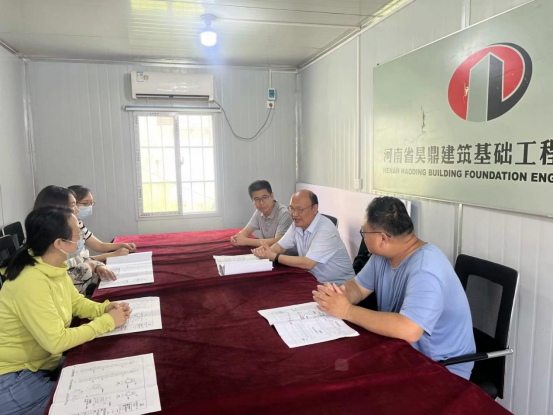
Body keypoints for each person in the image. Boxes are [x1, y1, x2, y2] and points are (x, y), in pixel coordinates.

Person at [312, 196, 476, 379]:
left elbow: (410, 330)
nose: (363, 236)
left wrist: (347, 311)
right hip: (403, 351)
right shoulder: (381, 256)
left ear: (383, 238)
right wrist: (340, 296)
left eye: (364, 232)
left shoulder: (426, 269)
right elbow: (358, 287)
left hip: (441, 367)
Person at [0, 206, 132, 414]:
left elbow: (76, 302)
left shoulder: (51, 265)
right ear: (59, 243)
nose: (81, 237)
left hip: (42, 363)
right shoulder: (31, 281)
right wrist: (108, 322)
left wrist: (104, 308)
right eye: (77, 234)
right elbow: (56, 342)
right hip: (13, 377)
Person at [33, 186, 134, 294]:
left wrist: (96, 265)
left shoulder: (72, 226)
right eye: (73, 205)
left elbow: (81, 261)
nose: (77, 210)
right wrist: (91, 265)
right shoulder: (49, 247)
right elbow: (65, 288)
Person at [252, 190, 355, 285]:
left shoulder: (325, 229)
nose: (294, 214)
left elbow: (308, 263)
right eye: (292, 208)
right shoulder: (297, 224)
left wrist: (274, 256)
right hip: (313, 280)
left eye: (300, 209)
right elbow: (281, 246)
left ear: (315, 208)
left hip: (340, 287)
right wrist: (266, 251)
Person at [230, 180, 292, 248]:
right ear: (252, 200)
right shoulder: (259, 212)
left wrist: (246, 241)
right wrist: (236, 238)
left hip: (287, 253)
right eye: (257, 199)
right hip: (269, 251)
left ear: (272, 196)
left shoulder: (284, 214)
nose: (261, 203)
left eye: (265, 197)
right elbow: (246, 231)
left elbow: (278, 242)